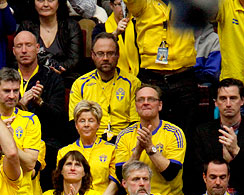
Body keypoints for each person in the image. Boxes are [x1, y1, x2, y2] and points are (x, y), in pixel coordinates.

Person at [124, 0, 197, 137]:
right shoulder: (143, 3)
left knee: (187, 132)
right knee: (152, 131)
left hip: (184, 77)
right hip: (153, 79)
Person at [114, 84, 187, 195]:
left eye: (151, 99)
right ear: (135, 107)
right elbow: (122, 176)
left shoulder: (174, 133)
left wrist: (150, 148)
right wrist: (137, 151)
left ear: (160, 105)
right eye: (141, 100)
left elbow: (170, 174)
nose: (145, 103)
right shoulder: (124, 135)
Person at [12, 30, 66, 187]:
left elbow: (60, 120)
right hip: (13, 138)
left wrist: (40, 103)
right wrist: (20, 103)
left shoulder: (52, 77)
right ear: (13, 51)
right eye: (19, 46)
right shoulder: (7, 78)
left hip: (45, 140)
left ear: (37, 48)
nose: (24, 50)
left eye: (28, 45)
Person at [69, 33, 140, 142]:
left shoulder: (133, 83)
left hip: (125, 141)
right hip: (91, 141)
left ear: (118, 55)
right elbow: (75, 122)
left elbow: (135, 123)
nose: (105, 58)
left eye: (110, 53)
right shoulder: (80, 84)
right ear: (93, 55)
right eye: (100, 54)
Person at [188, 79, 244, 195]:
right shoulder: (202, 132)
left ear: (242, 101)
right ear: (216, 102)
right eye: (223, 98)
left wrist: (236, 152)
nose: (228, 104)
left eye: (233, 98)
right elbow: (197, 172)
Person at [58, 101, 119, 195]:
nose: (86, 125)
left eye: (91, 120)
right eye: (82, 121)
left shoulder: (111, 150)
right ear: (76, 125)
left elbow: (115, 183)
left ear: (98, 124)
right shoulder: (64, 152)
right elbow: (61, 183)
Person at [18, 0, 81, 82]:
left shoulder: (71, 26)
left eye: (50, 0)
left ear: (59, 2)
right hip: (32, 80)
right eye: (40, 0)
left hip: (64, 79)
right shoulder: (26, 26)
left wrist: (55, 67)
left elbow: (74, 61)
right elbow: (17, 58)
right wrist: (45, 68)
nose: (46, 4)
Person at [91, 0, 139, 77]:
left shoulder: (138, 25)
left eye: (127, 4)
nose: (124, 8)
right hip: (109, 74)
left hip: (137, 75)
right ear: (111, 5)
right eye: (119, 4)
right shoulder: (100, 28)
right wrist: (115, 33)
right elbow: (96, 50)